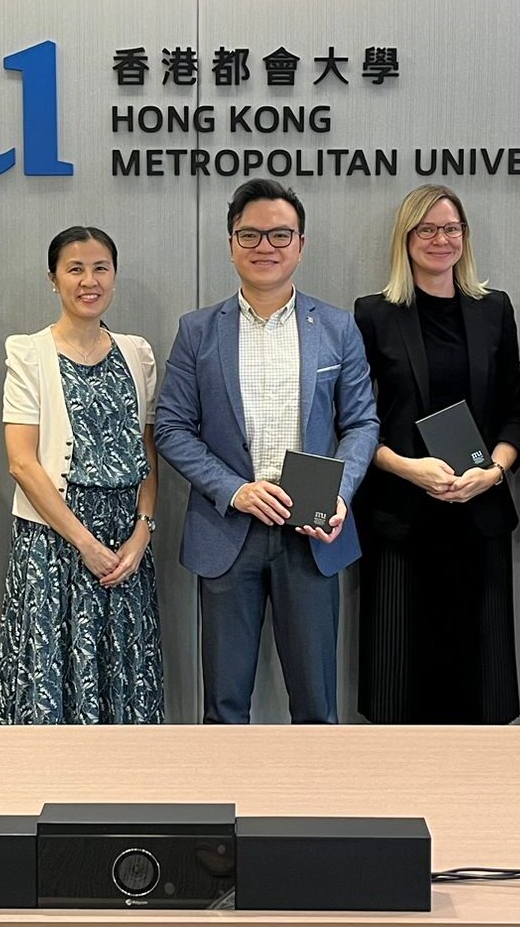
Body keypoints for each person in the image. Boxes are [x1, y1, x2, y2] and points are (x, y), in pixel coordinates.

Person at [155, 178, 379, 724]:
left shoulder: (337, 327)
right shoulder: (198, 331)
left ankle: (314, 786)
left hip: (313, 528)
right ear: (231, 243)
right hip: (228, 529)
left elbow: (361, 423)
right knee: (224, 708)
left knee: (317, 708)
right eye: (250, 234)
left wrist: (339, 494)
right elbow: (172, 428)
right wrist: (235, 490)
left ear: (300, 244)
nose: (265, 247)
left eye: (280, 234)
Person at [352, 185, 520, 724]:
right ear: (405, 239)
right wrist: (407, 469)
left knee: (481, 678)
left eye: (451, 228)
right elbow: (353, 419)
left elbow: (514, 409)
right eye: (426, 229)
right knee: (398, 677)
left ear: (464, 236)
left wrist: (494, 471)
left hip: (478, 512)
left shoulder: (494, 310)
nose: (440, 239)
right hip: (401, 516)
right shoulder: (373, 314)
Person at [0, 227, 164, 724]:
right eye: (75, 269)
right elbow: (21, 462)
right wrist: (85, 543)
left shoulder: (137, 353)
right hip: (54, 546)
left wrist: (142, 531)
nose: (89, 281)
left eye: (100, 269)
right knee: (50, 682)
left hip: (125, 549)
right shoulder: (29, 353)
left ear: (114, 276)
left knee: (124, 679)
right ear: (53, 279)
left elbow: (146, 450)